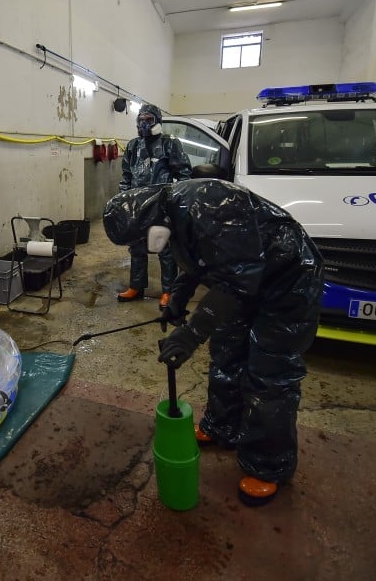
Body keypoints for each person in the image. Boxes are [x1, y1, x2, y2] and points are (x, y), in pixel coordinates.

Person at [102, 173, 323, 506]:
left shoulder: (213, 205)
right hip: (244, 278)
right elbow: (201, 261)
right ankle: (222, 426)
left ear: (151, 224)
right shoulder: (169, 212)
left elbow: (237, 279)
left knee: (268, 370)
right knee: (226, 350)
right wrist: (178, 297)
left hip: (287, 279)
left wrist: (191, 334)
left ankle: (267, 465)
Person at [116, 103, 191, 307]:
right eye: (141, 120)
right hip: (137, 206)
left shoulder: (170, 144)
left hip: (161, 205)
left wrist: (175, 200)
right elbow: (126, 176)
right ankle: (136, 286)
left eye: (149, 120)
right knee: (137, 247)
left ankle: (168, 291)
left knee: (165, 249)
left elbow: (183, 175)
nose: (144, 124)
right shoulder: (133, 146)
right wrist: (125, 200)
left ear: (158, 121)